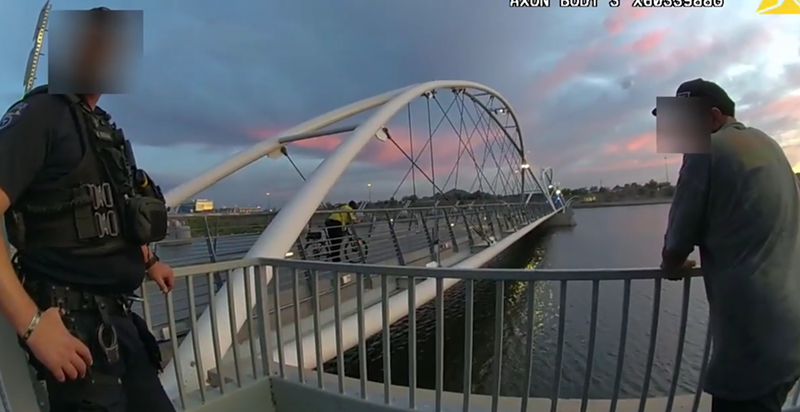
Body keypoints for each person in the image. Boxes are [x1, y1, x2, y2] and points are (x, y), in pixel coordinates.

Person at [0, 7, 176, 412]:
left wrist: (150, 262)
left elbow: (112, 212)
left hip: (118, 323)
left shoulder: (102, 129)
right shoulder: (41, 115)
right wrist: (32, 326)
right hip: (72, 332)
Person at [655, 78, 800, 412]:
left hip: (753, 340)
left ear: (713, 117)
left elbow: (678, 237)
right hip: (790, 329)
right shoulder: (769, 144)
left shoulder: (706, 150)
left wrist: (672, 266)